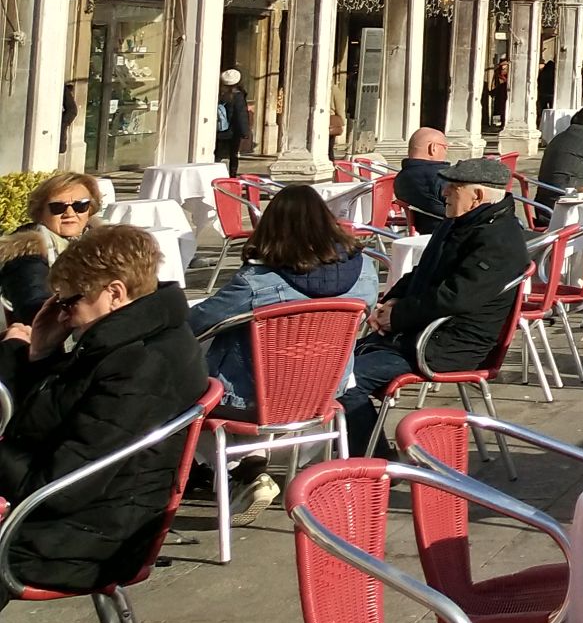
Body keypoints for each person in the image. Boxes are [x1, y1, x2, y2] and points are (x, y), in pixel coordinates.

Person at [0, 224, 207, 596]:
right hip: (90, 520)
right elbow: (48, 420)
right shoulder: (137, 337)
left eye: (69, 301)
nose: (62, 314)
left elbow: (57, 488)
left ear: (114, 293)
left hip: (81, 541)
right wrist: (39, 354)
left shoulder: (136, 364)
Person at [184, 183, 375, 512]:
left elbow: (197, 323)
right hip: (324, 390)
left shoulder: (256, 281)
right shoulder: (365, 271)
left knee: (187, 385)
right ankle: (251, 463)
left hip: (253, 399)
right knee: (260, 361)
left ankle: (223, 468)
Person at [341, 158, 531, 453]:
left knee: (344, 380)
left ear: (477, 195)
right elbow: (421, 271)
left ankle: (377, 463)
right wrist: (390, 300)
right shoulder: (458, 222)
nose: (443, 193)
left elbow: (454, 297)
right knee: (329, 365)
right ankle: (354, 450)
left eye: (452, 188)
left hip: (448, 344)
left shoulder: (499, 240)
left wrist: (398, 317)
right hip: (417, 332)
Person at [0, 172, 104, 320]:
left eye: (80, 206)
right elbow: (36, 310)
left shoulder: (105, 244)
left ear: (90, 210)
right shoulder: (27, 254)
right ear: (40, 213)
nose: (69, 213)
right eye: (57, 207)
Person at [393, 128, 452, 235]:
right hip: (452, 232)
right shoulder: (439, 177)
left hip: (427, 231)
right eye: (445, 147)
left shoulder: (401, 177)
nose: (446, 152)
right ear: (433, 148)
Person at [215, 67, 251, 177]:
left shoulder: (219, 94)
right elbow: (241, 115)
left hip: (219, 131)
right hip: (232, 132)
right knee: (232, 156)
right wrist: (245, 132)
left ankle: (217, 175)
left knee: (219, 155)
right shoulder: (238, 96)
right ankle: (230, 177)